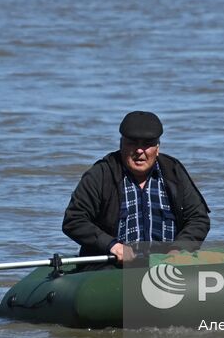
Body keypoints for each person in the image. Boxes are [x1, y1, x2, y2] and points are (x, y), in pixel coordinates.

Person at [62, 111, 210, 264]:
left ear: (157, 147)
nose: (139, 151)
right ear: (121, 144)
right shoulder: (101, 174)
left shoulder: (174, 172)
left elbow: (198, 219)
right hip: (111, 267)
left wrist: (179, 249)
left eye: (147, 144)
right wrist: (112, 245)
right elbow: (74, 220)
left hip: (165, 265)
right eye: (132, 143)